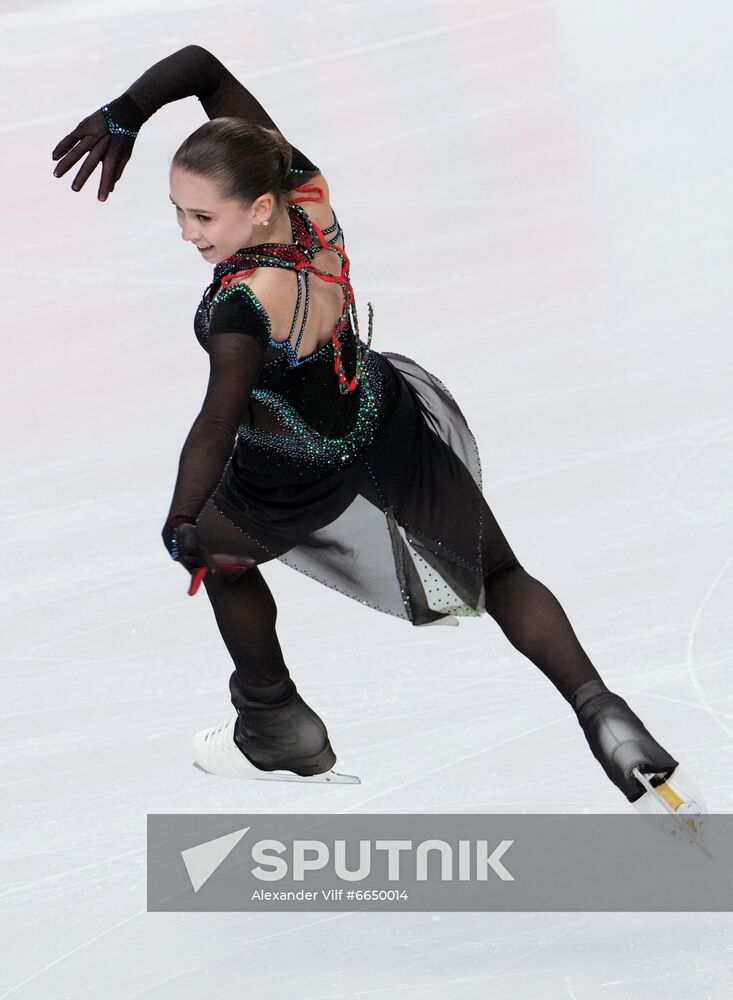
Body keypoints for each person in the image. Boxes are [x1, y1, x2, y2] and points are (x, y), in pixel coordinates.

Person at [50, 46, 702, 813]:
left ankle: (274, 723)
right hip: (382, 417)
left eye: (202, 216)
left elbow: (217, 419)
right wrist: (127, 114)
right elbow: (199, 67)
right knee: (498, 576)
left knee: (218, 557)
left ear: (256, 210)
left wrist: (182, 518)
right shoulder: (302, 189)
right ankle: (602, 711)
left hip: (288, 470)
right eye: (179, 213)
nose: (188, 234)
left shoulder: (239, 308)